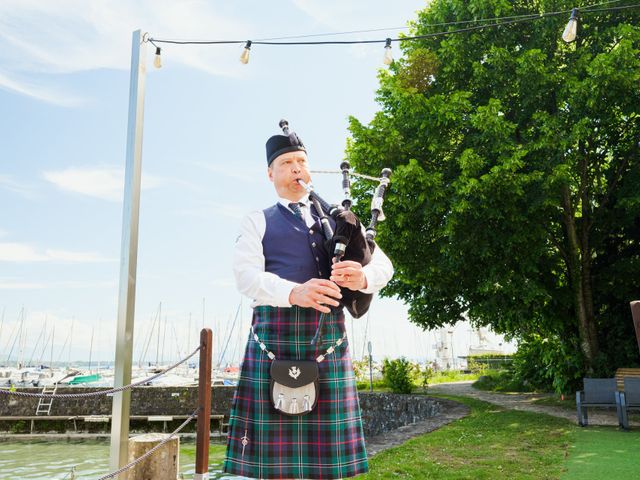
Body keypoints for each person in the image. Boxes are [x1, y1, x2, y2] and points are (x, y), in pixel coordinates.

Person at [223, 122, 393, 480]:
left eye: (301, 161)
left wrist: (363, 277)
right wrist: (294, 291)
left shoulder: (338, 220)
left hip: (327, 341)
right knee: (271, 469)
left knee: (327, 470)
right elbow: (246, 277)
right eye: (286, 163)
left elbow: (384, 266)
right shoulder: (258, 221)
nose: (296, 168)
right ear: (270, 173)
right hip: (274, 339)